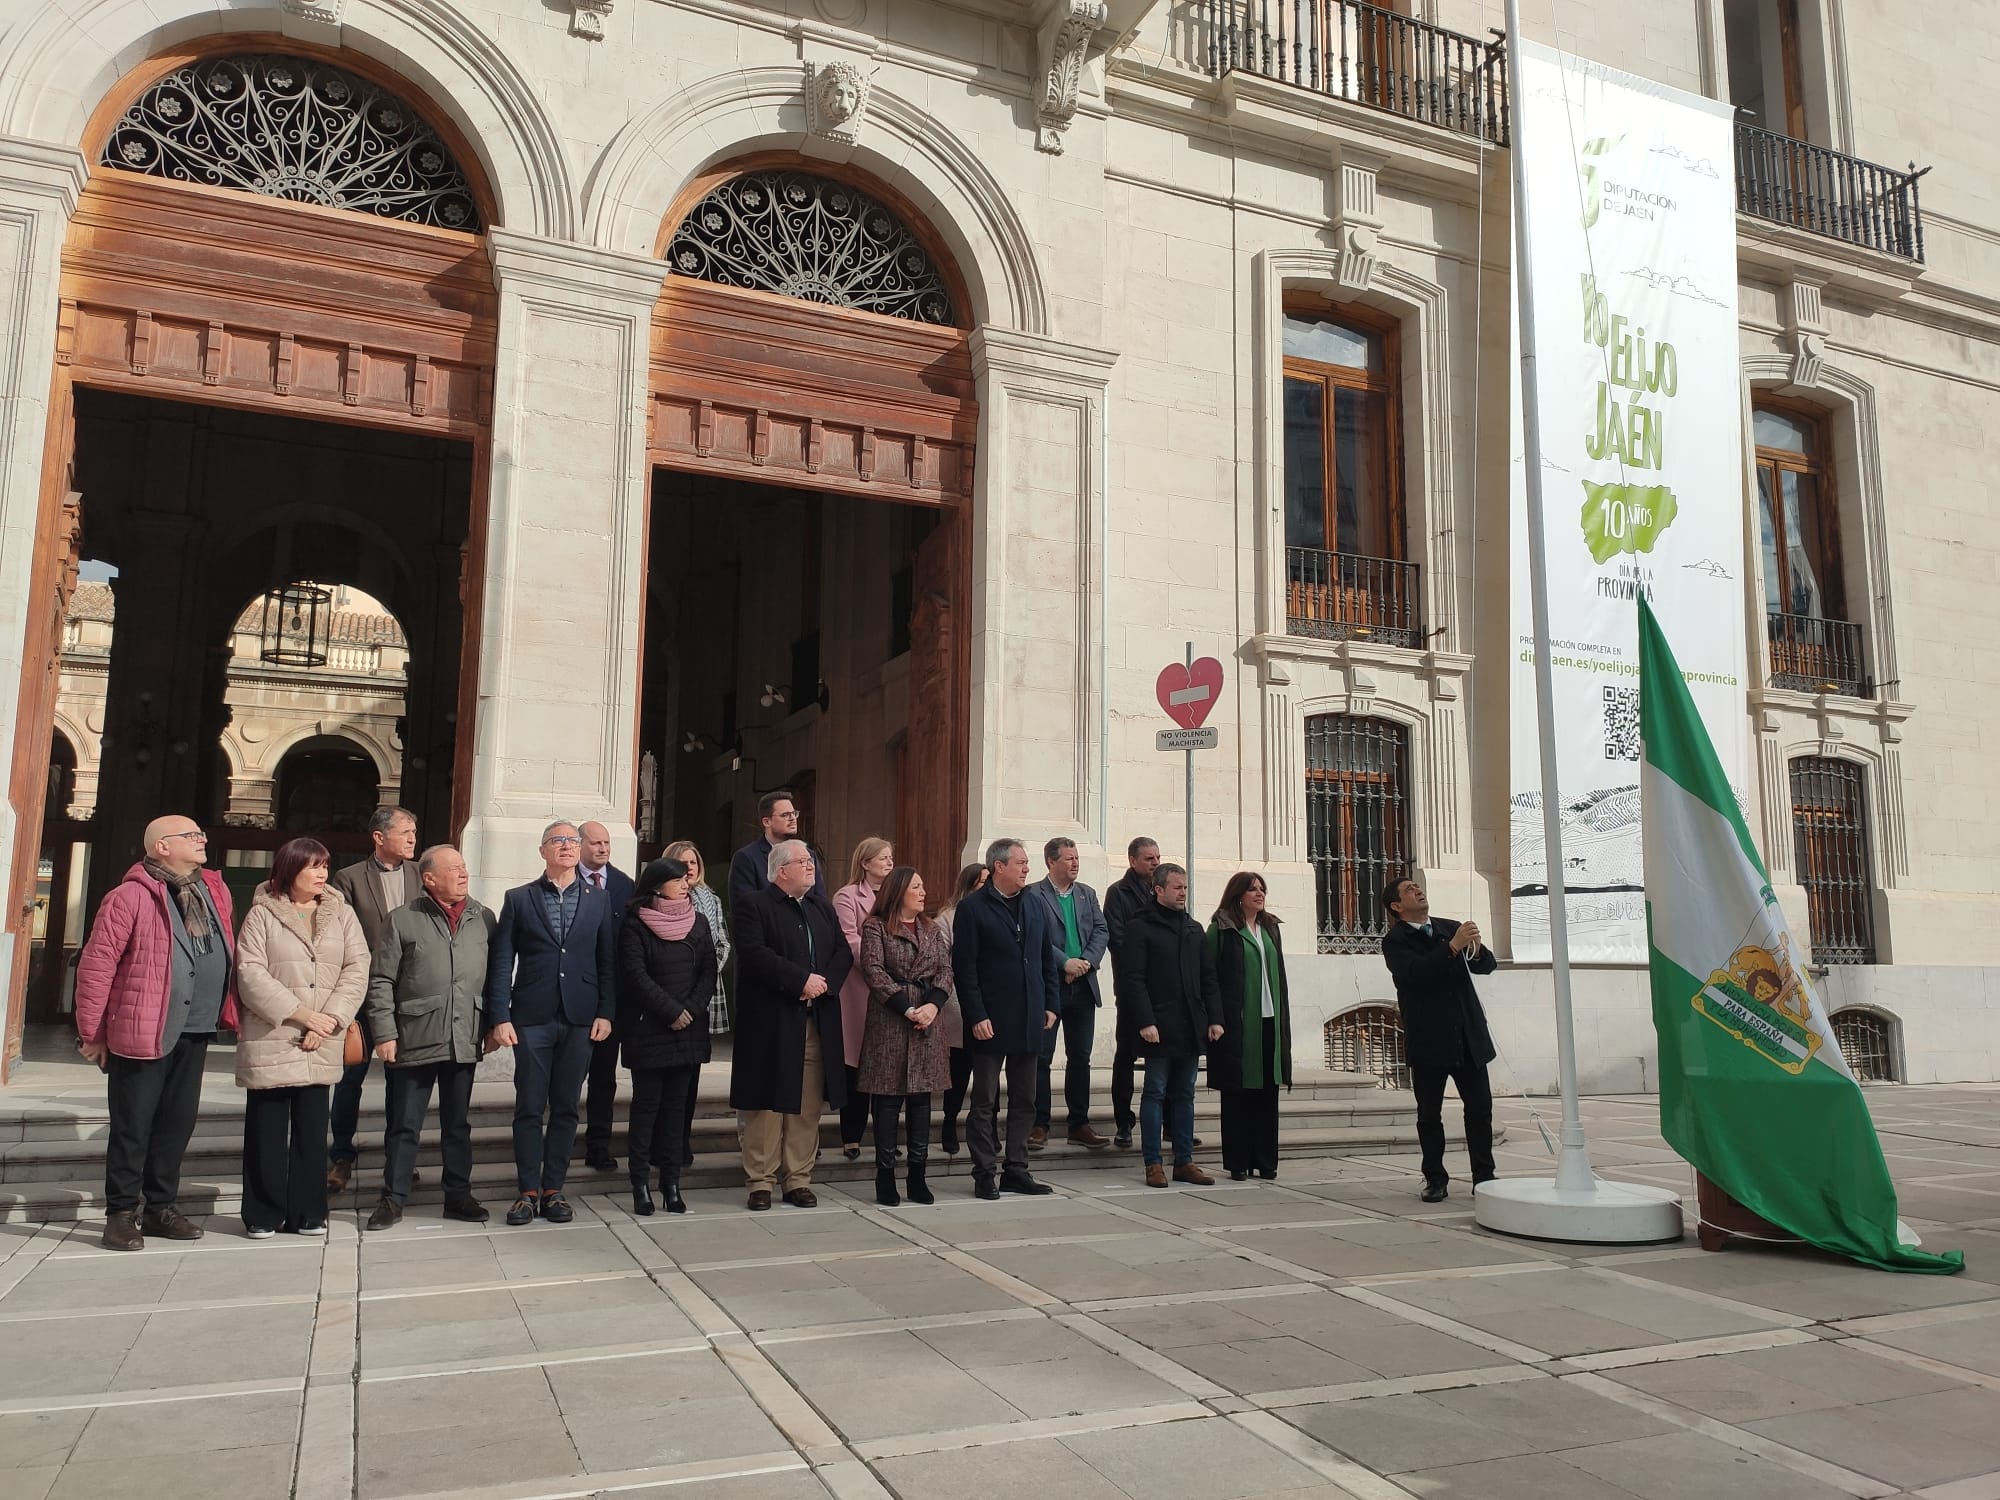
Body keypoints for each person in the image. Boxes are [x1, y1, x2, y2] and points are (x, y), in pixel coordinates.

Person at [75, 815, 238, 1251]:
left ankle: (161, 1208)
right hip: (142, 1027)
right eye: (192, 835)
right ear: (162, 846)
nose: (202, 840)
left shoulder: (212, 890)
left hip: (197, 1027)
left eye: (201, 834)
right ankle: (121, 1214)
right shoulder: (129, 896)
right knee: (133, 1127)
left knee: (176, 1125)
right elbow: (97, 966)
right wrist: (92, 1033)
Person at [233, 838, 369, 1237]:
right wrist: (303, 1016)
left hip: (323, 1033)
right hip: (274, 1033)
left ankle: (309, 1211)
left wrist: (329, 1019)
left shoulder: (341, 914)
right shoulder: (261, 914)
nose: (322, 874)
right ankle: (262, 1213)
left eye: (325, 866)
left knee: (312, 1131)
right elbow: (250, 973)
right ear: (290, 870)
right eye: (313, 867)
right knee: (266, 1129)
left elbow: (357, 968)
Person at [486, 820, 618, 1227]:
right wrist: (499, 1016)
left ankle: (554, 1189)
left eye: (572, 841)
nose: (566, 846)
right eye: (557, 841)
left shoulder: (598, 900)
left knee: (565, 1108)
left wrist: (606, 1012)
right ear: (543, 850)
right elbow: (503, 961)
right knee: (528, 1106)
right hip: (532, 1017)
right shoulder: (519, 898)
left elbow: (606, 963)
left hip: (580, 1018)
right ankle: (527, 1191)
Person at [363, 846, 496, 1230]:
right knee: (405, 1124)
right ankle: (393, 1199)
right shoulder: (402, 919)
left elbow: (496, 976)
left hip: (464, 1035)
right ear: (429, 878)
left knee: (458, 1125)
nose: (463, 872)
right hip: (413, 1037)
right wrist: (384, 1033)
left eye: (464, 865)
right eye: (453, 868)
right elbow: (382, 980)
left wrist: (492, 1024)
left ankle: (458, 1196)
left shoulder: (484, 918)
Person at [730, 839, 851, 1210]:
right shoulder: (755, 904)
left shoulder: (821, 906)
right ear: (782, 869)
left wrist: (824, 983)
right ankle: (760, 1181)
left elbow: (843, 951)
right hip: (772, 1019)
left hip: (815, 1019)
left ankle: (797, 1178)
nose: (811, 867)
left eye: (812, 861)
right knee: (766, 1105)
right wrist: (800, 980)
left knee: (806, 1104)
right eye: (804, 861)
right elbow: (753, 954)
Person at [952, 838, 1061, 1200]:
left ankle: (1017, 1169)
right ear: (999, 866)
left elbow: (1046, 958)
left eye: (1027, 864)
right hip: (990, 1019)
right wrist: (976, 1014)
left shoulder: (1034, 903)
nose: (1027, 869)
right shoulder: (972, 909)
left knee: (1025, 1098)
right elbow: (964, 970)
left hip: (1030, 1014)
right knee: (984, 1099)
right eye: (1021, 863)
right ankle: (984, 1171)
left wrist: (1050, 1003)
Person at [1380, 875, 1498, 1202]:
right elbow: (1415, 974)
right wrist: (1452, 947)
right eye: (1408, 890)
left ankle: (1484, 1176)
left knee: (1480, 1109)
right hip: (1430, 1039)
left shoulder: (1450, 927)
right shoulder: (1395, 941)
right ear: (1396, 906)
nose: (1417, 890)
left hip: (1467, 1036)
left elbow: (1487, 965)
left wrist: (1473, 950)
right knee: (1429, 1115)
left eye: (1417, 887)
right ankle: (1435, 1178)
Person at [326, 806, 421, 1193]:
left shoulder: (422, 875)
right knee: (351, 1078)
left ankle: (399, 1161)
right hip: (363, 995)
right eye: (405, 832)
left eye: (415, 832)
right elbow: (337, 937)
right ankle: (341, 1157)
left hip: (410, 995)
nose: (413, 838)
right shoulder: (347, 879)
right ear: (379, 838)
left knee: (403, 1083)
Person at [615, 856, 716, 1216]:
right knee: (646, 1109)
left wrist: (690, 1009)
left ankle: (671, 1183)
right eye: (677, 880)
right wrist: (671, 1011)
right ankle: (640, 1184)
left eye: (686, 879)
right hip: (650, 1029)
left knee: (677, 1111)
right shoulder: (635, 923)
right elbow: (635, 974)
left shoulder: (699, 922)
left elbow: (709, 970)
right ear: (657, 885)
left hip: (688, 1030)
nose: (685, 883)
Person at [1122, 863, 1223, 1188]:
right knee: (1155, 1092)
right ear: (1159, 889)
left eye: (1185, 888)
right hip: (1158, 1027)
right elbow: (1133, 979)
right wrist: (1146, 1021)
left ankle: (1184, 1161)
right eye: (1177, 887)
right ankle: (1153, 1163)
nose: (1182, 893)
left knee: (1185, 1094)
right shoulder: (1141, 927)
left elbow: (1208, 978)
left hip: (1190, 1024)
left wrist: (1215, 1018)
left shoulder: (1193, 929)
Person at [857, 866, 953, 1206]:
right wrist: (905, 1007)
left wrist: (933, 1006)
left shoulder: (931, 928)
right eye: (916, 886)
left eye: (923, 885)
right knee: (886, 1100)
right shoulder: (875, 926)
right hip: (891, 1021)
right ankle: (885, 1175)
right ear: (898, 891)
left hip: (928, 1020)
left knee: (921, 1100)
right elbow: (873, 969)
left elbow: (945, 970)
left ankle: (917, 1174)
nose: (923, 892)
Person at [1206, 872, 1293, 1181]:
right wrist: (1215, 1018)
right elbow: (1210, 978)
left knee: (1267, 1093)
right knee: (1238, 1093)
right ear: (1238, 894)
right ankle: (1239, 1161)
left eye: (1262, 889)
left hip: (1270, 1020)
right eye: (1252, 889)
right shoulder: (1221, 929)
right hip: (1237, 1024)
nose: (1259, 893)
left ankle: (1266, 1160)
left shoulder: (1270, 928)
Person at [1027, 837, 1110, 1150]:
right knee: (1042, 1057)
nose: (1075, 863)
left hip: (1084, 986)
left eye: (1077, 858)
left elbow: (1101, 930)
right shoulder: (1033, 895)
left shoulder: (1087, 894)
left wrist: (1087, 961)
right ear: (1051, 861)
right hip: (1051, 986)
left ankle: (1079, 1123)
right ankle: (1039, 1123)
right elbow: (1034, 936)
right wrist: (1065, 962)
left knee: (1081, 1056)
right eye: (1069, 858)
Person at [665, 838, 732, 1167]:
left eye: (693, 862)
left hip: (702, 997)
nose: (689, 868)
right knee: (667, 1079)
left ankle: (682, 1141)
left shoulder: (711, 899)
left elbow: (722, 943)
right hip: (669, 997)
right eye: (682, 863)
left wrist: (703, 976)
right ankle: (662, 1143)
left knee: (691, 1077)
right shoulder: (655, 900)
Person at [577, 820, 636, 1173]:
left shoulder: (624, 885)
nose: (602, 848)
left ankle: (598, 1144)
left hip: (610, 1000)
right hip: (570, 996)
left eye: (607, 843)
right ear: (581, 845)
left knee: (603, 1077)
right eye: (596, 842)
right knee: (566, 1077)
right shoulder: (563, 881)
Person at [832, 837, 895, 1160]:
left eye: (890, 857)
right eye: (882, 858)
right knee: (854, 1066)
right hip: (858, 988)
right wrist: (881, 963)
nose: (888, 862)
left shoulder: (895, 895)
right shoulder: (847, 896)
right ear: (865, 862)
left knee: (886, 1064)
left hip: (893, 990)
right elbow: (848, 939)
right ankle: (851, 1136)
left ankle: (887, 1136)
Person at [1104, 836, 1162, 1149]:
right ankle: (1123, 1123)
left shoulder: (1163, 889)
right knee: (1125, 1054)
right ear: (1133, 861)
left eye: (1157, 858)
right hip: (1130, 987)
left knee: (1166, 1057)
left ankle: (1167, 1123)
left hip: (1164, 990)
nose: (1154, 863)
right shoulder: (1118, 893)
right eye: (1149, 858)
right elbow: (1118, 938)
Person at [933, 863, 984, 1156]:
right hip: (957, 1001)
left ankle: (985, 1127)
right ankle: (949, 1122)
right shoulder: (948, 919)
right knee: (959, 1069)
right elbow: (942, 962)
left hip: (988, 1000)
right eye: (979, 884)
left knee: (987, 1071)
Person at [728, 788, 828, 912]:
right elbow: (744, 909)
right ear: (766, 821)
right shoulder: (746, 858)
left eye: (794, 813)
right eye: (785, 815)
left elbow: (821, 903)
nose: (793, 819)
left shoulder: (809, 854)